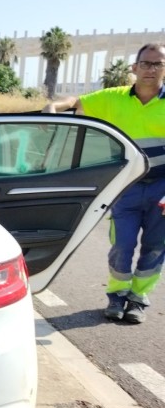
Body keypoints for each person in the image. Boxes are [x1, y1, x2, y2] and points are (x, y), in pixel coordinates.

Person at [43, 42, 165, 324]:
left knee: (155, 248)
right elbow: (76, 102)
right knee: (122, 245)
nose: (151, 69)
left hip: (162, 189)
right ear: (134, 68)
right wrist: (53, 106)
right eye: (145, 63)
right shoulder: (114, 97)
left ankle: (138, 299)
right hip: (125, 187)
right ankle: (117, 295)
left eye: (158, 64)